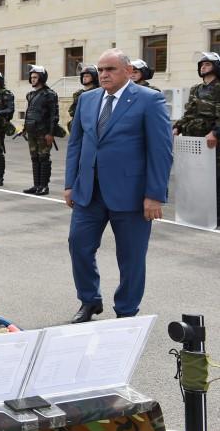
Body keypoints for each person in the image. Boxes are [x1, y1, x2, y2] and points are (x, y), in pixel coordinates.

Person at [65, 49, 172, 322]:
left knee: (131, 256)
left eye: (110, 69)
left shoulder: (149, 100)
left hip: (132, 195)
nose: (103, 75)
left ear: (127, 71)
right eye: (100, 69)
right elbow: (76, 143)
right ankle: (89, 301)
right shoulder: (87, 100)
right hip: (89, 192)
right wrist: (70, 184)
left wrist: (155, 195)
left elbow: (161, 151)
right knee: (78, 245)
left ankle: (126, 310)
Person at [173, 51, 220, 225]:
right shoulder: (196, 89)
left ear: (216, 67)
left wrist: (216, 132)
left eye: (207, 64)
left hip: (212, 140)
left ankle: (216, 216)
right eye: (201, 64)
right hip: (194, 138)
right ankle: (197, 213)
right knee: (194, 177)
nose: (203, 67)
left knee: (215, 178)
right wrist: (177, 126)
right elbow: (189, 112)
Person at [22, 65, 59, 196]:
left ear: (42, 78)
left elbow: (54, 116)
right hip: (32, 131)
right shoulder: (30, 94)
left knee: (44, 158)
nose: (32, 80)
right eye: (31, 77)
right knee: (34, 158)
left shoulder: (49, 94)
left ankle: (44, 186)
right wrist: (25, 128)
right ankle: (36, 185)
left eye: (35, 77)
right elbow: (29, 113)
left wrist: (51, 133)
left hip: (43, 132)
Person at [67, 65, 98, 132]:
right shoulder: (78, 94)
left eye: (87, 76)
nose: (84, 78)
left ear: (94, 77)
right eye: (83, 76)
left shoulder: (98, 93)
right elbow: (72, 111)